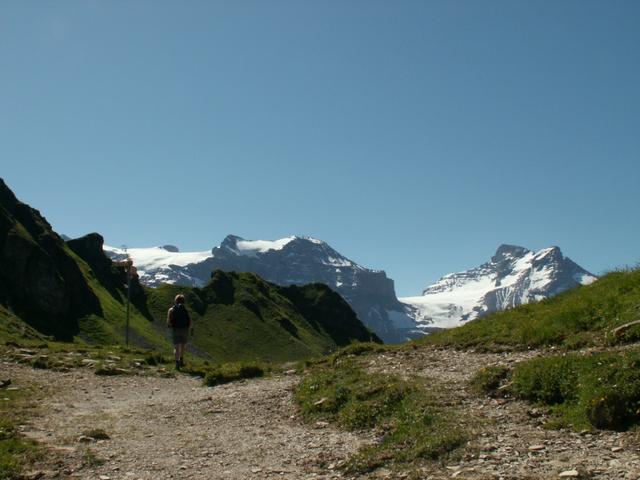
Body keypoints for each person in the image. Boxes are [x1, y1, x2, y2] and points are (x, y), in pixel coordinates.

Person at [167, 294, 192, 370]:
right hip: (185, 329)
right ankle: (181, 360)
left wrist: (170, 325)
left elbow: (168, 321)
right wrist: (189, 328)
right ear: (183, 301)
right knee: (183, 346)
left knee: (176, 347)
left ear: (175, 300)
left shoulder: (171, 310)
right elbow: (190, 321)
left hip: (176, 329)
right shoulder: (185, 310)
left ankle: (177, 363)